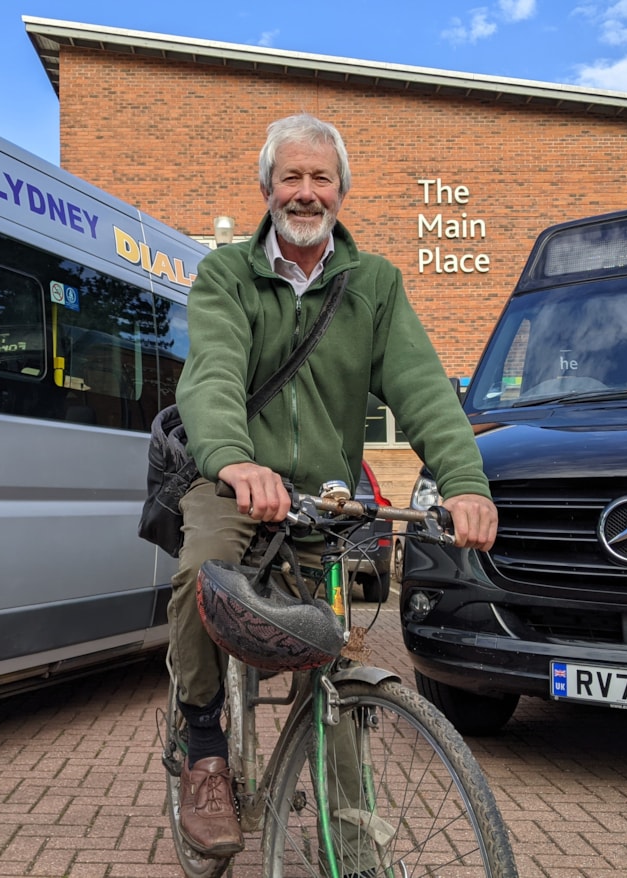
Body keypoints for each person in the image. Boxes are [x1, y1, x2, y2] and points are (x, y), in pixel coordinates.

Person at [168, 112, 497, 859]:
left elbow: (421, 389)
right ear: (266, 188)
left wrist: (464, 482)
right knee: (200, 574)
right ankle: (204, 745)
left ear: (342, 192)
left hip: (325, 504)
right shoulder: (227, 275)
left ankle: (349, 844)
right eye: (292, 177)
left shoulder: (373, 284)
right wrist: (233, 459)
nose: (306, 192)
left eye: (321, 178)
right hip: (235, 485)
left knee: (334, 665)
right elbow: (213, 371)